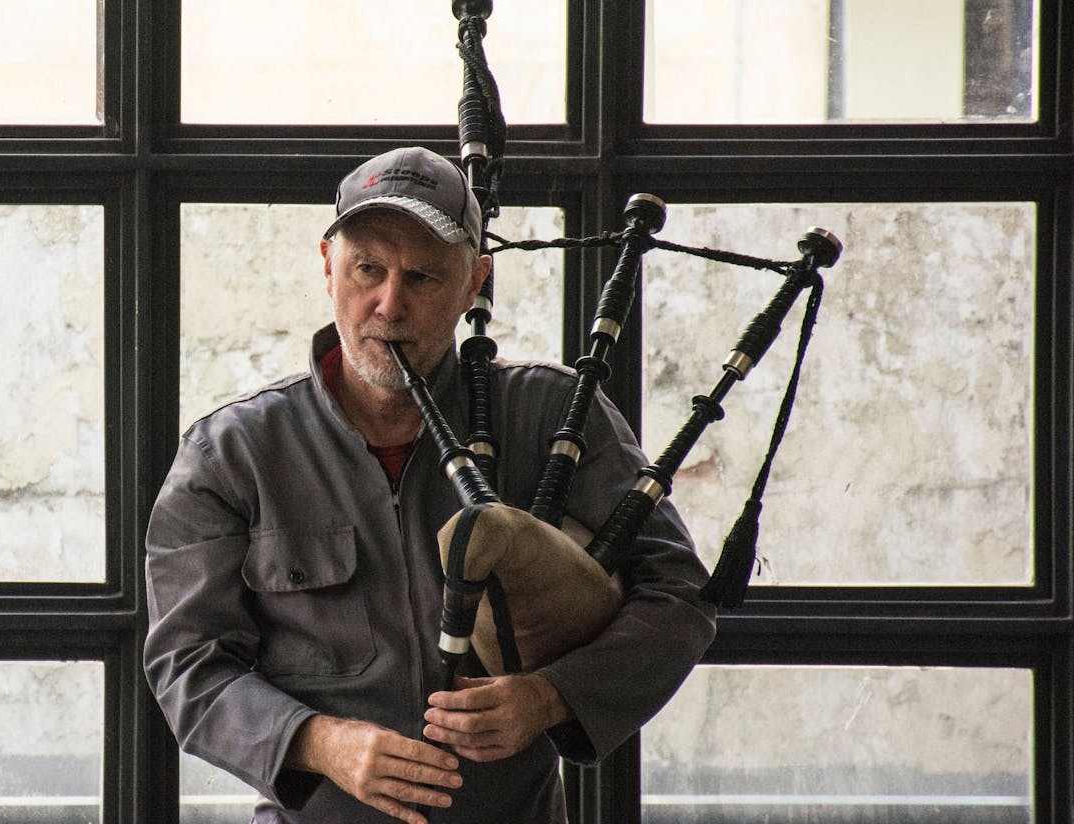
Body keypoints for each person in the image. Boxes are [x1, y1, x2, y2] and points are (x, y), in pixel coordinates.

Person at [142, 146, 717, 823]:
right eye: (367, 269)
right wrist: (321, 742)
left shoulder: (553, 414)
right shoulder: (232, 452)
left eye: (422, 277)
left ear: (474, 283)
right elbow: (188, 664)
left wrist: (550, 697)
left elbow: (678, 596)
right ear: (327, 265)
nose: (390, 304)